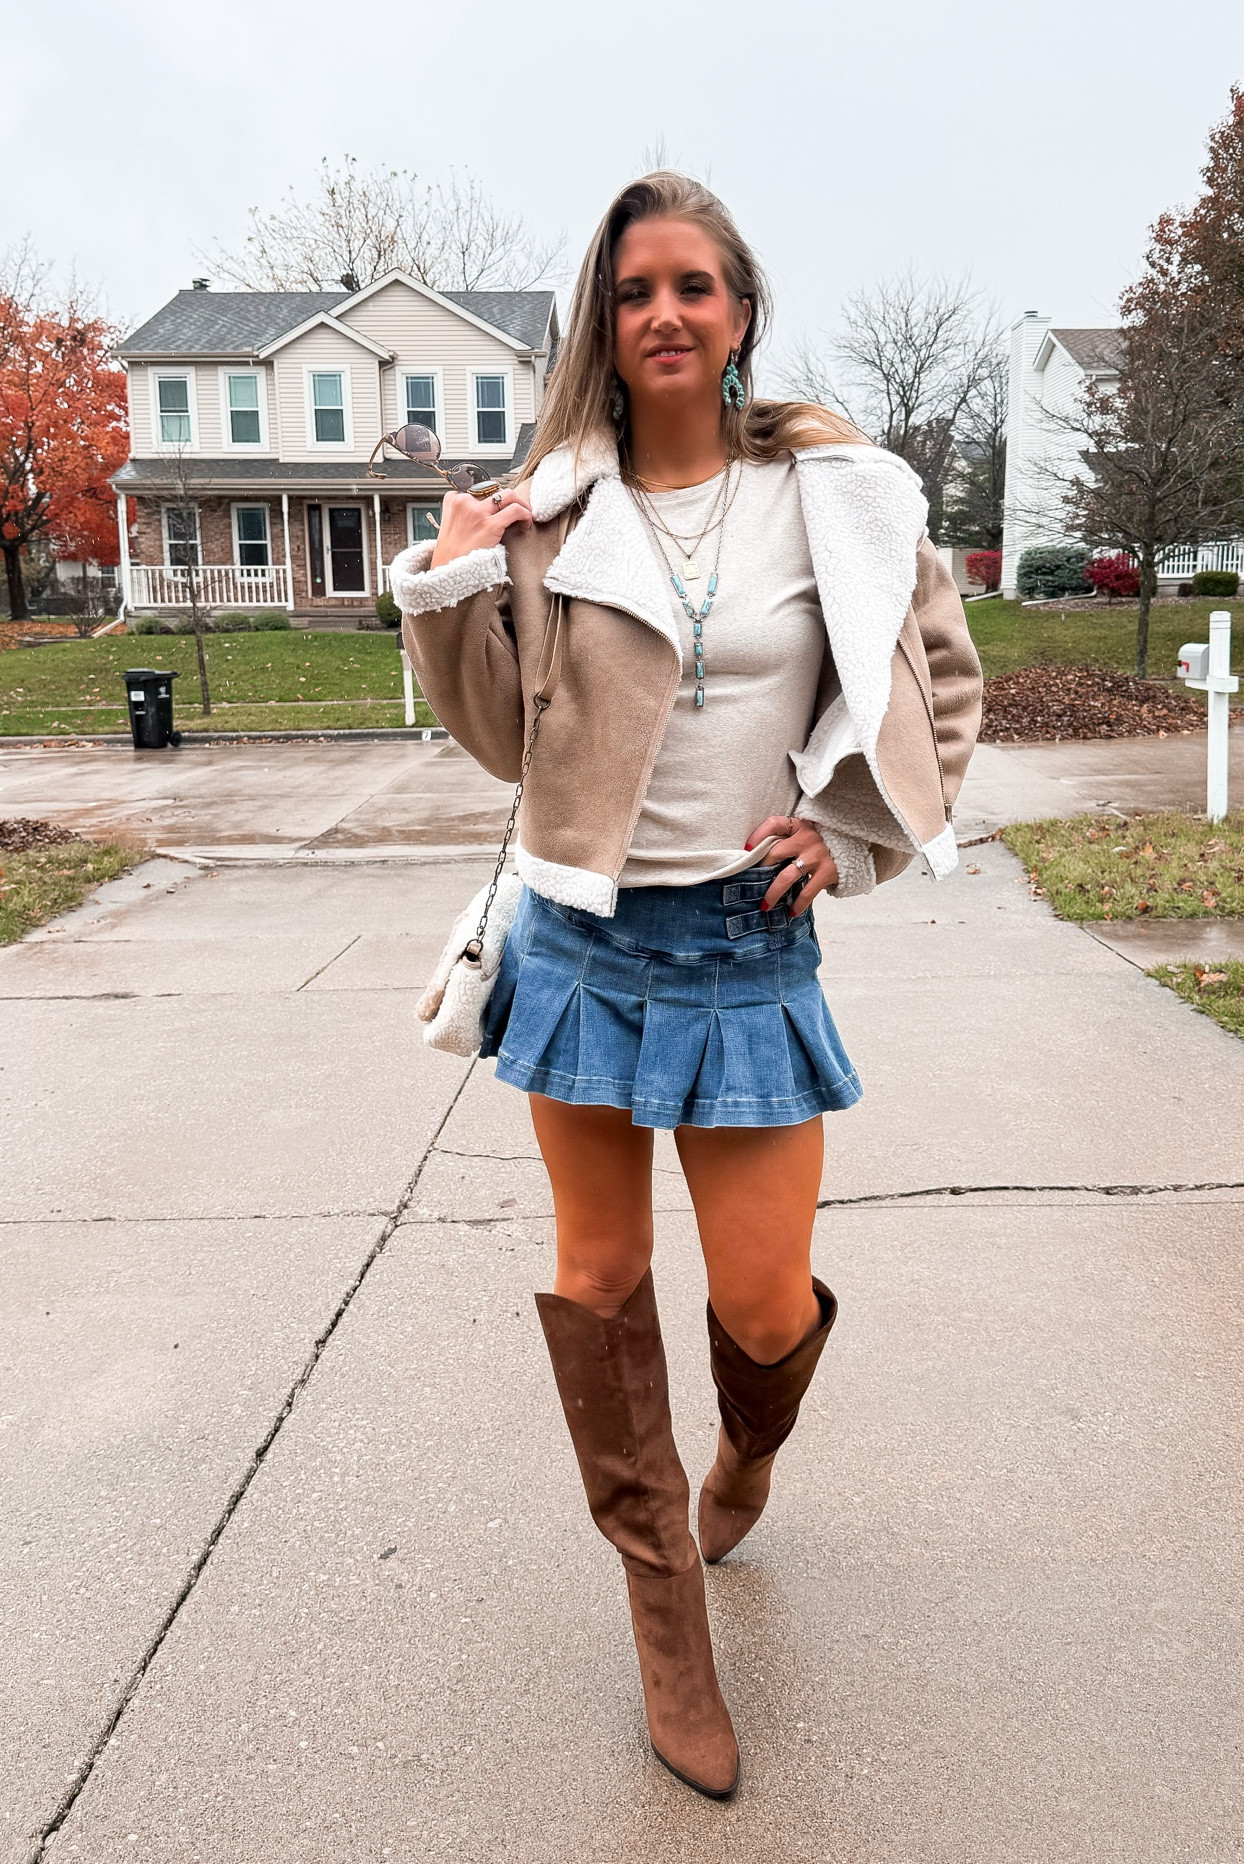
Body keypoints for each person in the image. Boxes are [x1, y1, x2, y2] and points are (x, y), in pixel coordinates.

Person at [391, 172, 983, 1800]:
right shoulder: (555, 508)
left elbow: (937, 677)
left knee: (761, 1303)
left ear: (738, 316)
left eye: (695, 287)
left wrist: (853, 835)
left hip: (742, 946)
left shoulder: (839, 499)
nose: (664, 311)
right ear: (607, 317)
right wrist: (451, 585)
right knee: (595, 1287)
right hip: (581, 943)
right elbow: (504, 737)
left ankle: (751, 1448)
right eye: (636, 287)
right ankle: (664, 1612)